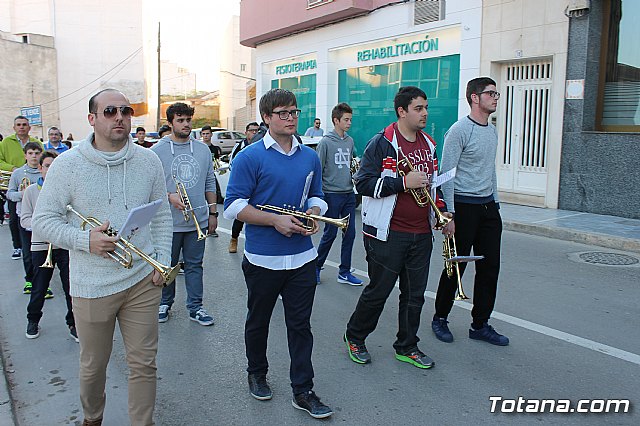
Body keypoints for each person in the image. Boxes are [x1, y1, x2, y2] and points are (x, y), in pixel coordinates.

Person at [33, 88, 173, 425]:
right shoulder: (67, 165)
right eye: (110, 111)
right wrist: (85, 240)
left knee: (144, 362)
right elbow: (42, 221)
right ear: (92, 119)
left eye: (126, 111)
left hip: (142, 278)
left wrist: (163, 260)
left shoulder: (149, 159)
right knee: (93, 365)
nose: (120, 117)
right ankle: (92, 419)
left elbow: (162, 215)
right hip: (92, 285)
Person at [224, 89, 333, 419]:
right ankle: (256, 372)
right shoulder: (249, 157)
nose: (290, 118)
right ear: (267, 118)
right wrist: (275, 220)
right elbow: (233, 206)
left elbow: (318, 195)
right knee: (258, 321)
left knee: (301, 326)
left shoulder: (309, 157)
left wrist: (315, 211)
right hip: (263, 258)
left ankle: (303, 389)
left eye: (294, 112)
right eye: (283, 113)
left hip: (302, 257)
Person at [344, 86, 449, 370]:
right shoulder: (382, 143)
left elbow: (432, 184)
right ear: (402, 111)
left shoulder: (429, 144)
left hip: (421, 234)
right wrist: (403, 184)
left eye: (426, 107)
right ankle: (355, 336)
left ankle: (407, 345)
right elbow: (363, 183)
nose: (425, 113)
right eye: (418, 108)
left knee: (415, 296)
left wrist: (442, 212)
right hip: (387, 234)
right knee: (379, 291)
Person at [432, 77, 509, 346]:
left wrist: (496, 203)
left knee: (490, 268)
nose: (496, 97)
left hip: (488, 207)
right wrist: (448, 213)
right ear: (475, 98)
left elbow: (490, 170)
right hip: (463, 207)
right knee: (457, 266)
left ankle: (480, 324)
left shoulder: (492, 131)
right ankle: (440, 318)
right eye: (491, 93)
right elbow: (446, 174)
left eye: (496, 93)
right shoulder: (459, 130)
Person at [152, 102, 217, 326]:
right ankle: (164, 302)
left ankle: (196, 307)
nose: (186, 124)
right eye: (180, 120)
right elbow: (150, 187)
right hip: (167, 223)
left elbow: (210, 181)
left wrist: (213, 213)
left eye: (188, 119)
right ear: (170, 123)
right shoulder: (157, 151)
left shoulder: (202, 149)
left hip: (197, 219)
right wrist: (169, 196)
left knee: (194, 265)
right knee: (167, 266)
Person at [21, 150, 76, 341]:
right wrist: (44, 228)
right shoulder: (31, 192)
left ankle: (73, 323)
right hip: (41, 245)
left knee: (70, 286)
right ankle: (33, 319)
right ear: (40, 168)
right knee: (39, 287)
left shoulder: (66, 190)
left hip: (63, 245)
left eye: (54, 166)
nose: (50, 170)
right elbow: (25, 219)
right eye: (47, 166)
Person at [315, 103, 362, 286]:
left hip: (348, 193)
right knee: (330, 234)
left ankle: (344, 272)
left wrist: (355, 175)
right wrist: (319, 196)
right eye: (346, 120)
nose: (349, 123)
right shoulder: (325, 142)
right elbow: (318, 170)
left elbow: (352, 162)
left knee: (350, 234)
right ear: (336, 120)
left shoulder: (350, 141)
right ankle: (316, 267)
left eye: (350, 119)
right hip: (331, 194)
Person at [0, 116, 43, 260]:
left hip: (36, 183)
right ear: (14, 128)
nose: (22, 127)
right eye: (18, 125)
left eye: (24, 124)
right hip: (17, 182)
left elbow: (43, 159)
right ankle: (18, 246)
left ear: (29, 127)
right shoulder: (6, 142)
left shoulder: (36, 142)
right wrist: (12, 168)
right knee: (14, 219)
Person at [7, 142, 45, 295]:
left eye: (36, 153)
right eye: (30, 153)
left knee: (40, 251)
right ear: (25, 155)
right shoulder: (18, 174)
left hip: (42, 216)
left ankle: (42, 282)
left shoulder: (45, 171)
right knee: (28, 253)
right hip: (24, 217)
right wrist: (23, 194)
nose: (34, 156)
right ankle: (30, 280)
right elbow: (9, 194)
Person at [227, 121, 260, 253]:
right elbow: (231, 164)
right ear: (246, 132)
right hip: (243, 187)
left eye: (257, 130)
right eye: (252, 130)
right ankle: (234, 239)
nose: (255, 133)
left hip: (258, 187)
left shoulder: (261, 146)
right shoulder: (239, 146)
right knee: (240, 215)